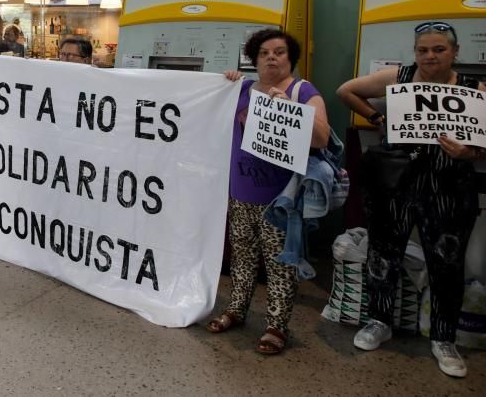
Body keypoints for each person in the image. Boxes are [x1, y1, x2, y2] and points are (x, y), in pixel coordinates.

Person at [336, 21, 485, 378]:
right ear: (414, 51)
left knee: (447, 262)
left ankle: (444, 338)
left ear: (455, 52)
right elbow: (346, 90)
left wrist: (470, 153)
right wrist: (377, 117)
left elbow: (482, 143)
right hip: (396, 184)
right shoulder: (399, 77)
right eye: (423, 50)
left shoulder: (473, 90)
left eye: (439, 49)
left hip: (449, 186)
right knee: (383, 255)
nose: (430, 56)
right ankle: (378, 320)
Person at [206, 29, 330, 356]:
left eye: (279, 52)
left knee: (279, 264)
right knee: (242, 256)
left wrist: (293, 110)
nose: (272, 58)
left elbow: (322, 138)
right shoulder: (242, 89)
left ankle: (276, 325)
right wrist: (226, 82)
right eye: (264, 53)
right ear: (254, 58)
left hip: (280, 199)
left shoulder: (303, 91)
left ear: (291, 59)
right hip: (242, 191)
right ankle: (236, 309)